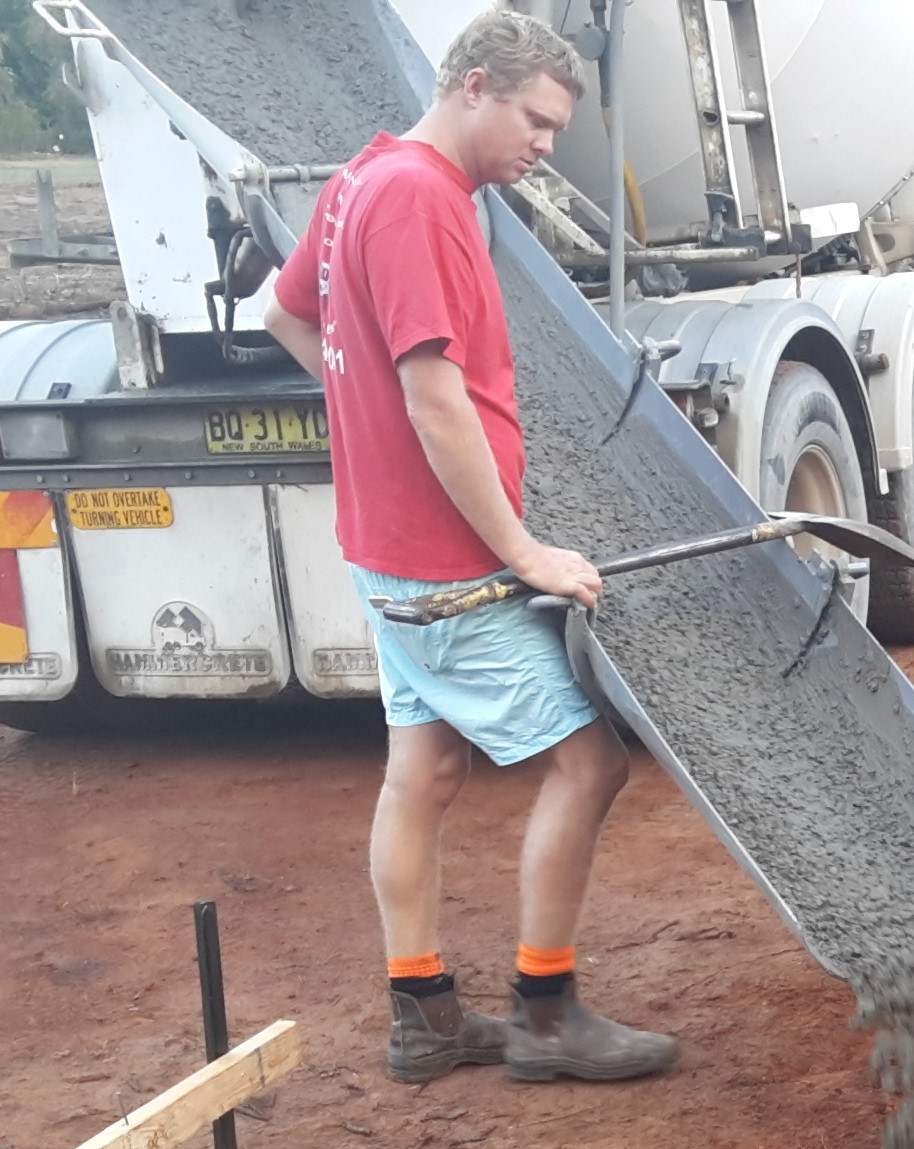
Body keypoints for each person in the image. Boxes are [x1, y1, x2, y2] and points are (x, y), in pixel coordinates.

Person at [263, 8, 676, 1086]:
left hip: (385, 548)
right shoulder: (420, 200)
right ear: (477, 85)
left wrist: (367, 427)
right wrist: (524, 550)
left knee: (425, 768)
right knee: (590, 764)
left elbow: (285, 314)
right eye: (537, 122)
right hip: (448, 564)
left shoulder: (364, 177)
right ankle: (545, 1011)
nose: (545, 146)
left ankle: (426, 1015)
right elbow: (436, 396)